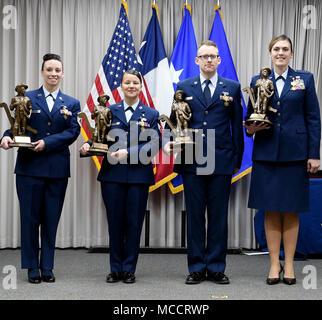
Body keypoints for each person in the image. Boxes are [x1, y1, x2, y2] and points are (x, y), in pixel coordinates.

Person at [164, 40, 244, 285]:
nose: (209, 60)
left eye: (213, 56)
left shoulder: (232, 87)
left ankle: (217, 267)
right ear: (196, 61)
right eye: (204, 56)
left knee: (219, 216)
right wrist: (170, 143)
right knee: (195, 216)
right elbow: (176, 122)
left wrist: (237, 159)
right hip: (192, 159)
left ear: (219, 60)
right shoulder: (184, 86)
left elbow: (237, 128)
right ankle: (197, 267)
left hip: (221, 159)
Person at [244, 35, 321, 285]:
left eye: (285, 49)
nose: (280, 53)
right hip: (266, 153)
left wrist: (314, 154)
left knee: (290, 210)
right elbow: (250, 116)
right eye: (276, 49)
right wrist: (251, 128)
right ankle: (274, 264)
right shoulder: (258, 80)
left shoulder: (304, 79)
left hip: (295, 154)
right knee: (270, 209)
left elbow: (313, 118)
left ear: (291, 53)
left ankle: (289, 264)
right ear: (270, 53)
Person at [0, 53, 80, 284]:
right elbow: (16, 126)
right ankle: (31, 267)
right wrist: (5, 138)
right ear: (42, 72)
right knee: (29, 219)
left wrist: (47, 143)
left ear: (62, 74)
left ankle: (48, 266)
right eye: (49, 69)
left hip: (57, 170)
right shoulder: (27, 98)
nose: (53, 73)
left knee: (51, 219)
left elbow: (72, 132)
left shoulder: (71, 103)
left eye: (57, 70)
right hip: (28, 169)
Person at [80, 69, 160, 284]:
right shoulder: (109, 110)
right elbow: (100, 137)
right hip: (112, 176)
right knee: (114, 222)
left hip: (138, 177)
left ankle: (129, 269)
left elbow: (154, 144)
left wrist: (129, 153)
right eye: (127, 82)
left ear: (141, 86)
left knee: (134, 223)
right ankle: (115, 269)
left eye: (135, 82)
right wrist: (89, 144)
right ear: (121, 86)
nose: (131, 86)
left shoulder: (151, 114)